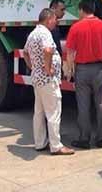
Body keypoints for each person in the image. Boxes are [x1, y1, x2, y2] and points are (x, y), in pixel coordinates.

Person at [65, 0, 102, 149]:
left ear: (81, 10)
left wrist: (70, 71)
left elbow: (70, 52)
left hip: (82, 70)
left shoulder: (76, 27)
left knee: (83, 106)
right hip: (99, 69)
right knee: (101, 104)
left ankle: (84, 138)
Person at [23, 8, 75, 156]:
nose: (56, 22)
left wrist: (32, 66)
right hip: (47, 79)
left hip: (37, 78)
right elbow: (47, 50)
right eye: (54, 19)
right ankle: (56, 145)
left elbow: (25, 52)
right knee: (53, 112)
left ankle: (40, 143)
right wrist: (47, 68)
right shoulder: (45, 33)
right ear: (48, 19)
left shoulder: (33, 33)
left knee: (39, 112)